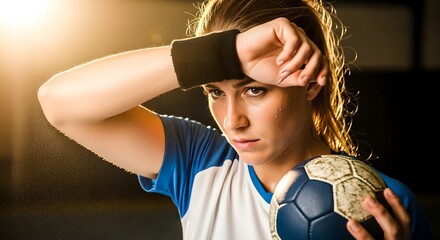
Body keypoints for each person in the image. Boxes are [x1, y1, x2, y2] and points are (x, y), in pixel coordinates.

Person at [37, 0, 434, 239]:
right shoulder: (200, 163)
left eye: (254, 89)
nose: (232, 120)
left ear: (310, 83)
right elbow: (58, 102)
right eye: (214, 91)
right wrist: (222, 53)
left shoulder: (382, 204)